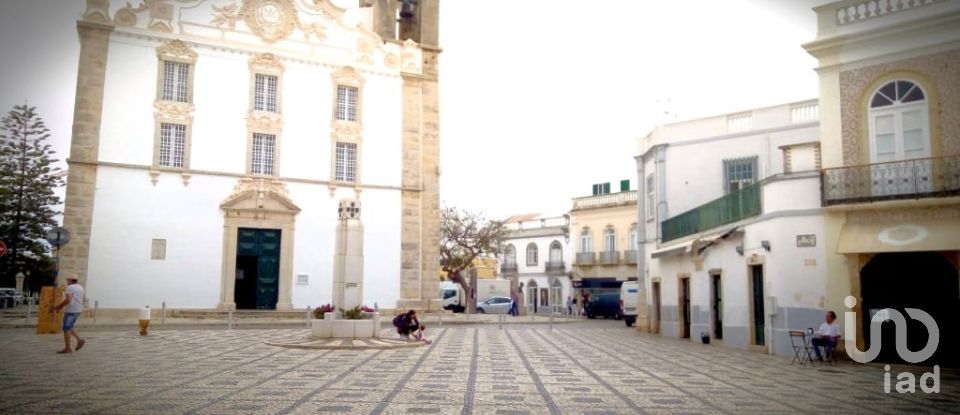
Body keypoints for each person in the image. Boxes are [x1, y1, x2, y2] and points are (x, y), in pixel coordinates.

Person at [53, 274, 86, 354]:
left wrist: (59, 306)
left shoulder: (70, 287)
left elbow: (68, 299)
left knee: (66, 328)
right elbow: (84, 299)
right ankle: (79, 340)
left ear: (71, 280)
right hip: (78, 310)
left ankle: (67, 348)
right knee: (69, 326)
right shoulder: (81, 288)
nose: (67, 281)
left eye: (68, 280)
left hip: (71, 310)